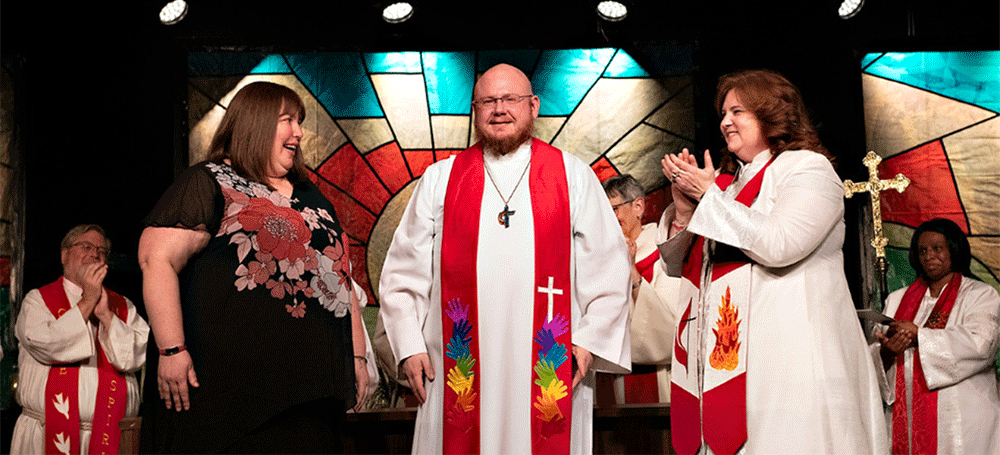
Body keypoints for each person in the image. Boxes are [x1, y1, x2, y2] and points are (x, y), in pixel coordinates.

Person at [379, 63, 631, 454]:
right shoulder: (440, 180)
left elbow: (610, 268)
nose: (500, 109)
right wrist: (409, 345)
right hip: (456, 365)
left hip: (549, 364)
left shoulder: (573, 177)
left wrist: (589, 341)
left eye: (511, 99)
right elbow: (402, 272)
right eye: (488, 101)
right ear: (475, 110)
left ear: (533, 106)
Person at [659, 69, 888, 455]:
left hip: (794, 354)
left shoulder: (807, 168)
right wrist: (685, 211)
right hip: (733, 363)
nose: (725, 121)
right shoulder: (731, 184)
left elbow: (781, 244)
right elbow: (685, 269)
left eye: (738, 111)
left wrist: (710, 198)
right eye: (723, 112)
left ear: (771, 113)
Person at [138, 81, 373, 453]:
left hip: (311, 397)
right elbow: (157, 259)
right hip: (232, 398)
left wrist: (356, 359)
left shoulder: (312, 196)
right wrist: (171, 350)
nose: (298, 132)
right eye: (287, 120)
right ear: (256, 123)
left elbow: (341, 279)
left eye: (299, 121)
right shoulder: (210, 181)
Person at [12, 225, 148, 455]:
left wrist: (106, 315)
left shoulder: (123, 306)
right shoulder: (37, 300)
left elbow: (133, 358)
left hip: (110, 436)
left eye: (101, 251)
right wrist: (87, 301)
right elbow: (47, 345)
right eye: (86, 246)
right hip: (45, 434)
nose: (95, 254)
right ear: (64, 254)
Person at [875, 218, 1000, 455]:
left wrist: (919, 335)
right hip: (906, 418)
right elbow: (873, 350)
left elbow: (981, 344)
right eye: (922, 250)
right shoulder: (897, 299)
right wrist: (886, 352)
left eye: (937, 248)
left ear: (954, 249)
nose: (929, 256)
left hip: (960, 420)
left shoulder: (980, 295)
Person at [603, 174, 679, 404]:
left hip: (654, 378)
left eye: (613, 209)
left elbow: (668, 329)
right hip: (605, 379)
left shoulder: (665, 252)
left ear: (638, 206)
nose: (607, 219)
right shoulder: (597, 257)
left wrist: (632, 271)